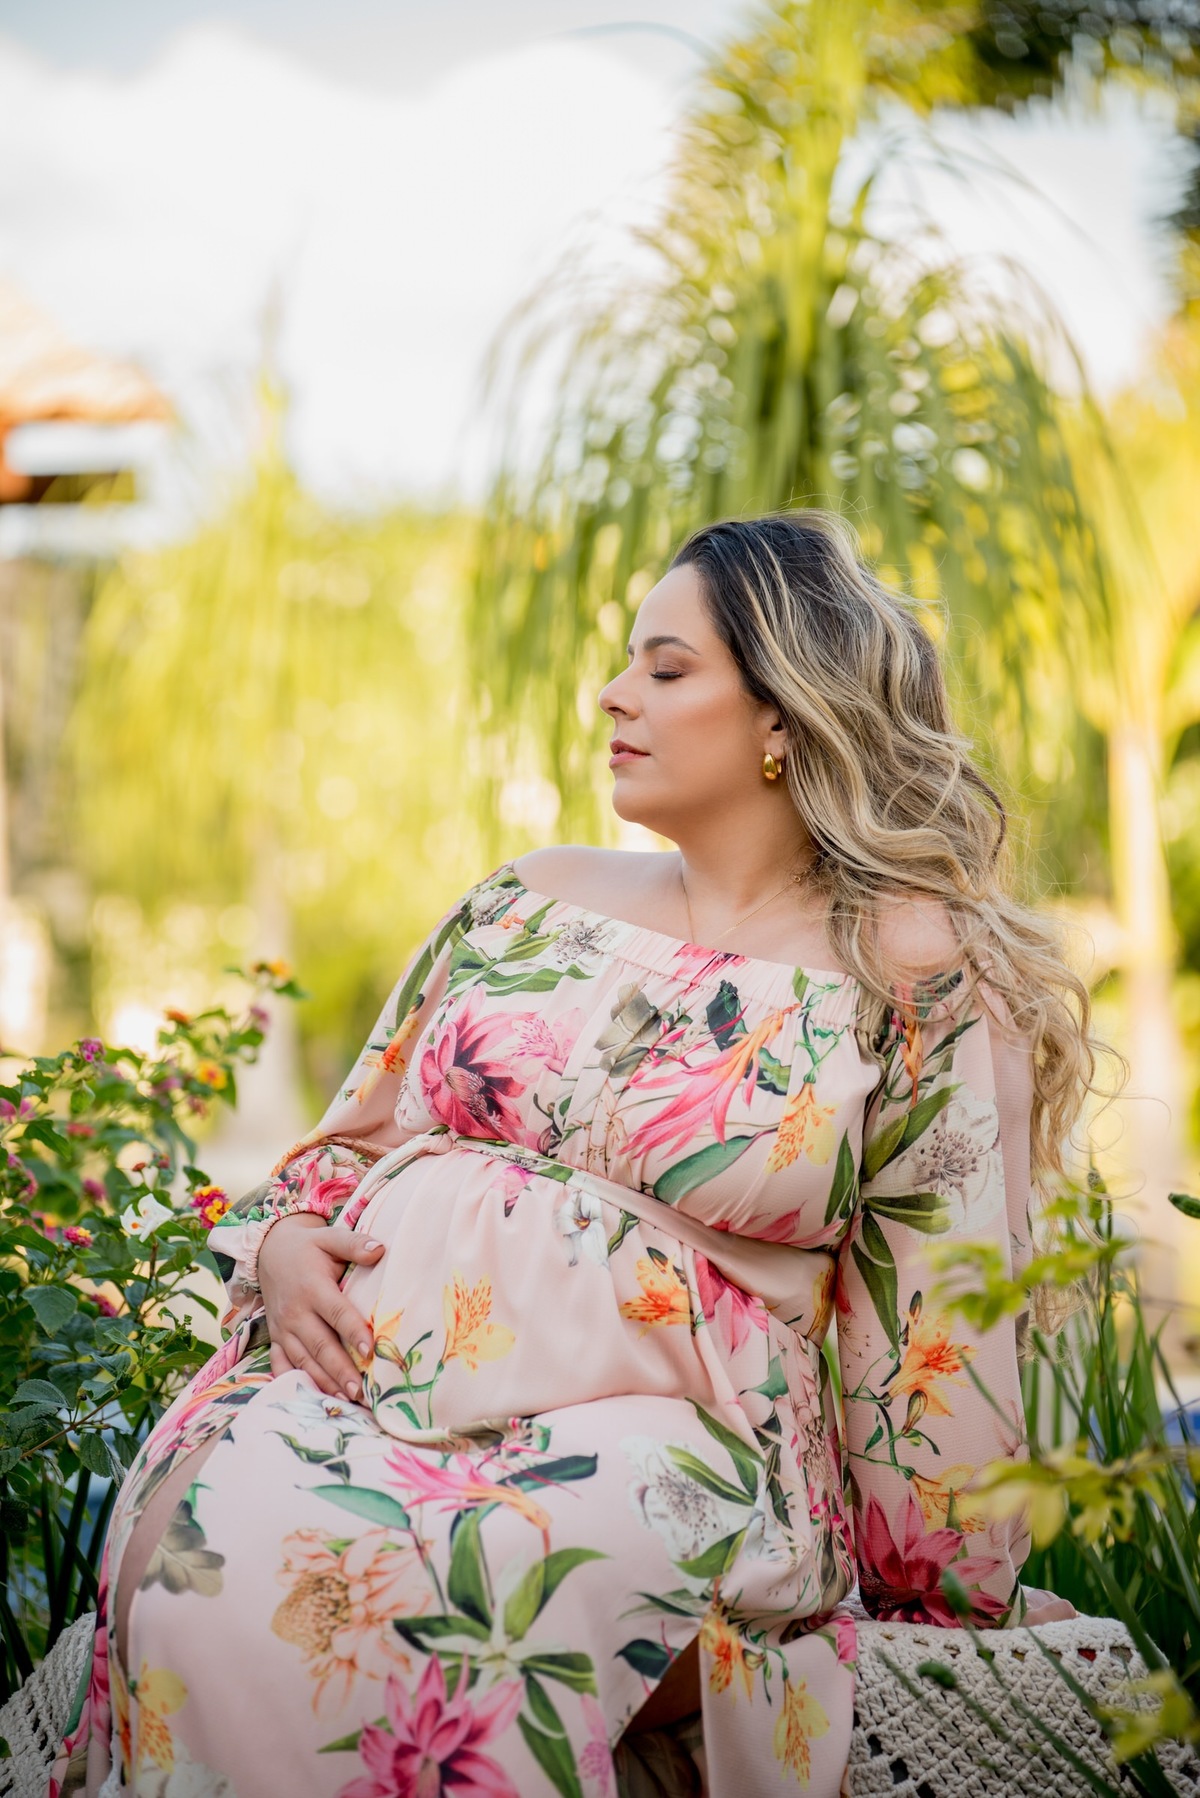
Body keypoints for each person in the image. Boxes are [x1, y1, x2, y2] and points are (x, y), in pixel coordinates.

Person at [52, 510, 1084, 1798]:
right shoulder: (529, 896)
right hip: (357, 1393)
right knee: (191, 1579)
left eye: (666, 667)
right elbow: (352, 1139)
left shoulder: (908, 968)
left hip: (662, 1450)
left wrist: (946, 1593)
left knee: (436, 1613)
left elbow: (933, 1335)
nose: (614, 695)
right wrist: (284, 1244)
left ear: (783, 713)